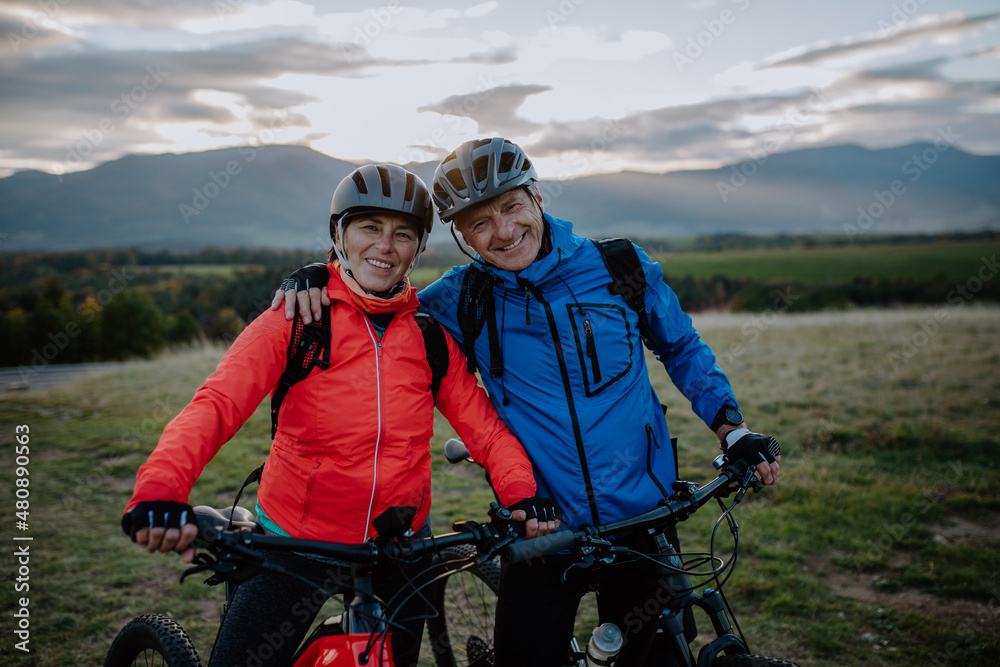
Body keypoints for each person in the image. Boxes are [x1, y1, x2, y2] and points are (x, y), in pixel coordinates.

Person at [273, 138, 782, 666]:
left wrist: (731, 428)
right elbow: (381, 303)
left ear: (536, 196)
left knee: (656, 658)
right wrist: (323, 275)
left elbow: (681, 347)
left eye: (511, 206)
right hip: (541, 527)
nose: (503, 231)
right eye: (479, 222)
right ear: (461, 235)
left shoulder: (617, 265)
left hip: (643, 516)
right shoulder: (461, 298)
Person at [121, 163, 558, 667]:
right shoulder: (297, 321)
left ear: (418, 249)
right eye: (369, 227)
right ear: (339, 235)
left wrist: (522, 494)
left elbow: (486, 430)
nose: (385, 246)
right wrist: (159, 492)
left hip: (400, 548)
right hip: (294, 545)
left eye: (403, 234)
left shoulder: (429, 335)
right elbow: (216, 406)